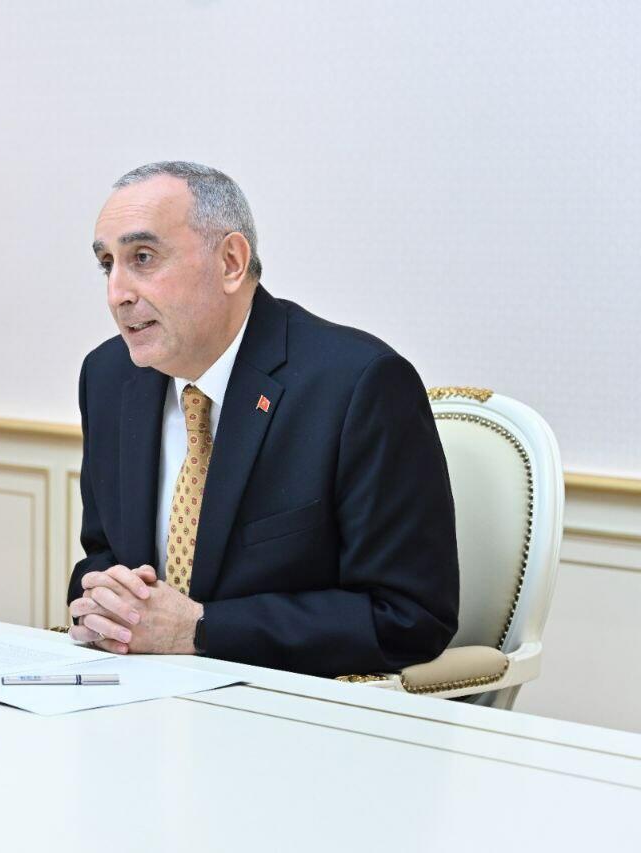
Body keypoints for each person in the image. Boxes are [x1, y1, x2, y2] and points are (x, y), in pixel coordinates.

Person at [68, 161, 458, 677]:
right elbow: (102, 553)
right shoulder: (109, 376)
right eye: (107, 264)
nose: (117, 293)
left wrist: (200, 629)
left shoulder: (357, 385)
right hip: (130, 692)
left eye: (143, 258)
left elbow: (409, 617)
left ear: (231, 262)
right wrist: (103, 600)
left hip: (291, 706)